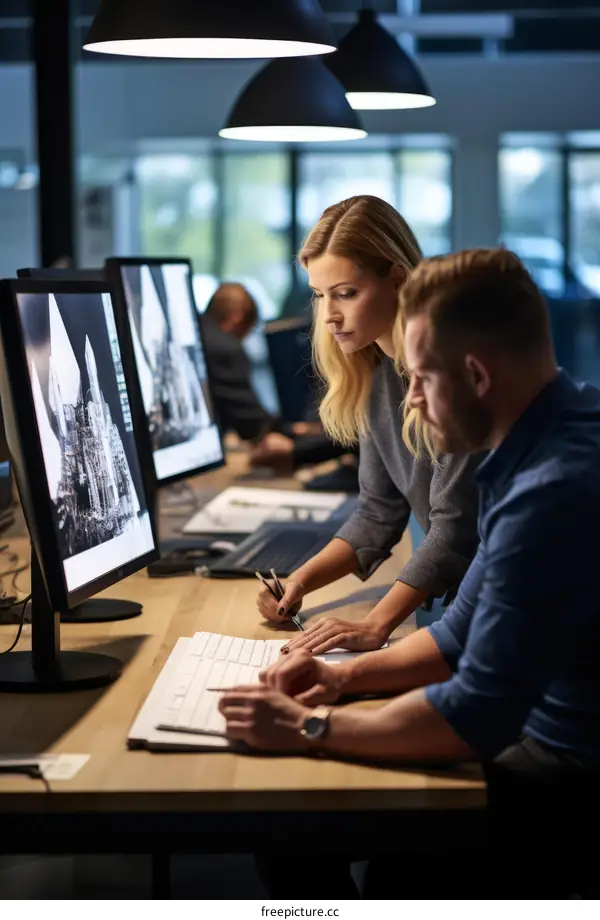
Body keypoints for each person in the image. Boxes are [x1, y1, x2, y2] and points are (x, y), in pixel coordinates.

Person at [221, 248, 600, 897]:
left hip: (570, 777)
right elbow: (457, 639)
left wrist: (309, 725)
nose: (413, 401)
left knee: (295, 822)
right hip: (531, 728)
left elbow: (473, 714)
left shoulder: (551, 491)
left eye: (421, 377)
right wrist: (337, 678)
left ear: (476, 375)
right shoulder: (548, 436)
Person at [256, 195, 480, 654]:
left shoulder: (449, 371)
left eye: (347, 293)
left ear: (398, 279)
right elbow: (378, 511)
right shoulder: (379, 375)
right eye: (320, 296)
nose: (329, 315)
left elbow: (455, 529)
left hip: (507, 613)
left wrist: (375, 625)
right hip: (469, 610)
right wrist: (299, 582)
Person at [202, 282, 353, 471]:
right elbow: (247, 416)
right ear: (236, 319)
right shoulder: (224, 347)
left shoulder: (197, 337)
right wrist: (288, 433)